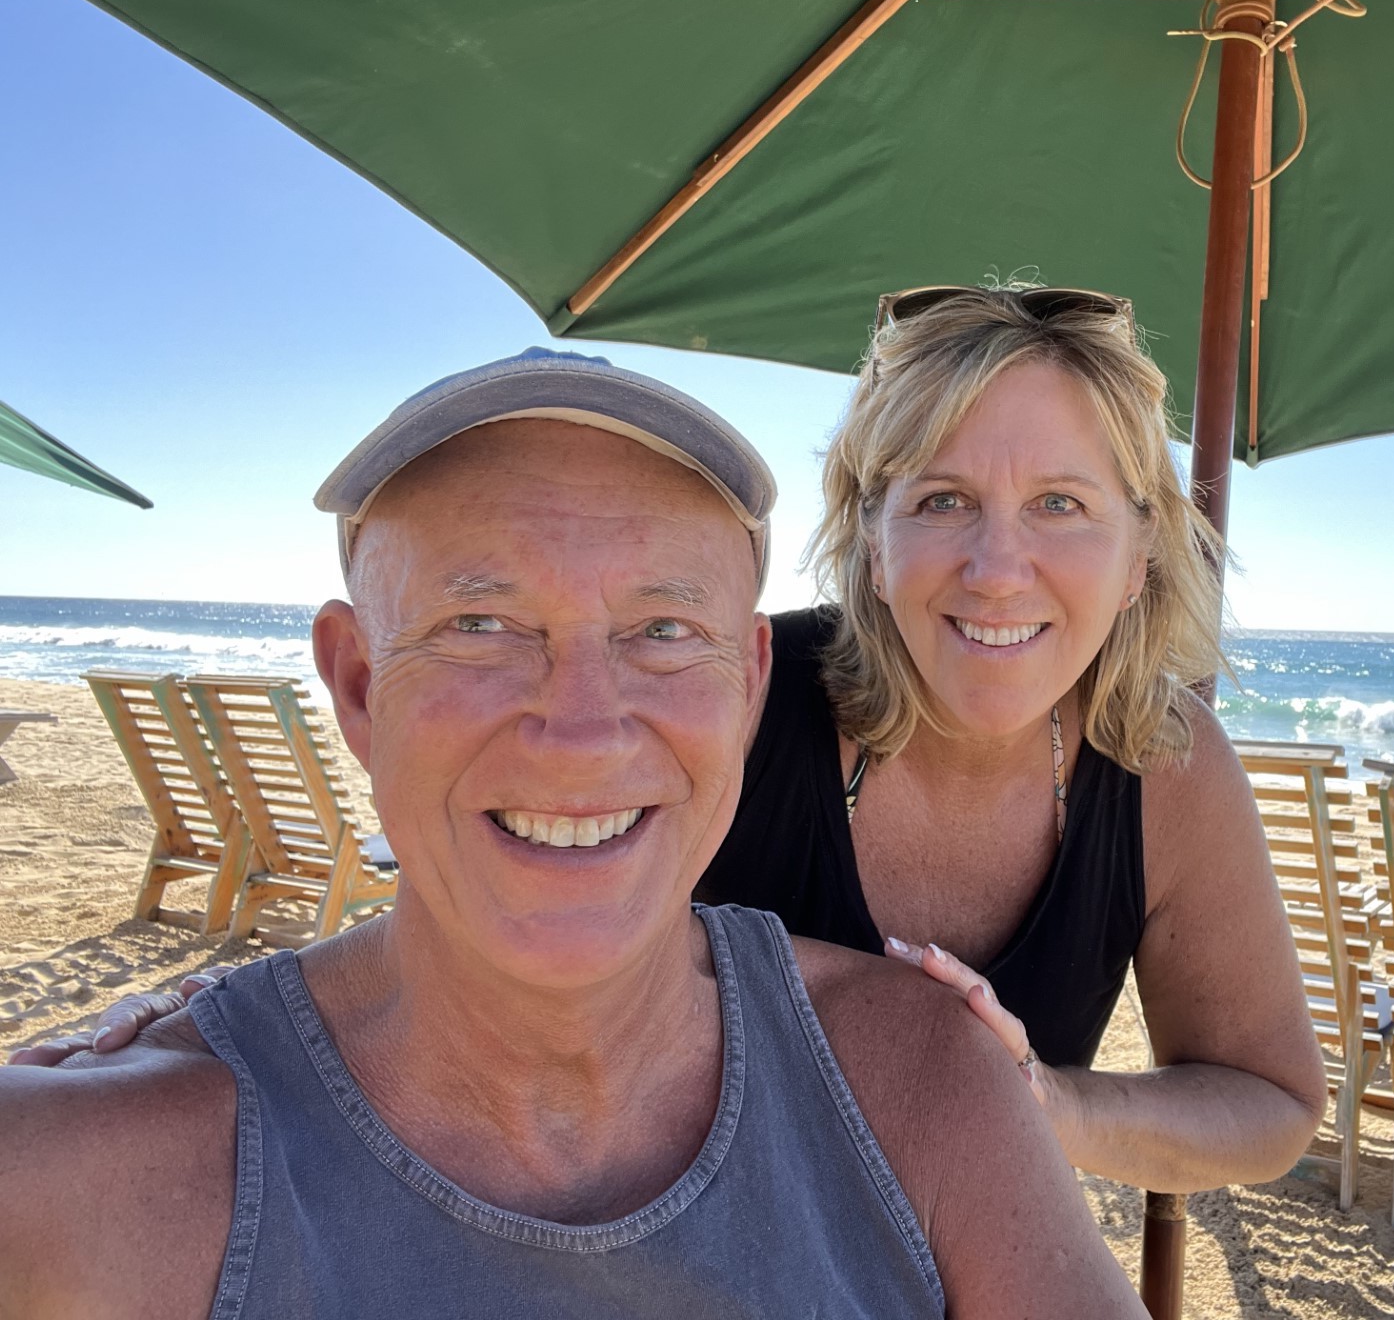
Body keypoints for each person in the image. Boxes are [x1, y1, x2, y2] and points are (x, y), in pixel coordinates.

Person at [21, 288, 1326, 1195]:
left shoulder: (1166, 764)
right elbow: (484, 928)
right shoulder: (719, 692)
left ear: (1143, 547)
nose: (996, 566)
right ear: (870, 538)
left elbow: (1266, 1104)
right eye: (940, 500)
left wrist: (1043, 1109)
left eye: (1062, 504)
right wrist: (218, 1020)